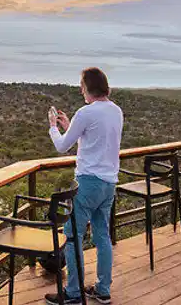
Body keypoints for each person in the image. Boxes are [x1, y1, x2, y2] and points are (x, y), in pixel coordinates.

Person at [46, 67, 122, 305]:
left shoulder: (86, 112)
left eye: (81, 86)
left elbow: (61, 146)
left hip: (88, 183)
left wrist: (53, 127)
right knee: (102, 235)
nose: (80, 90)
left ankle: (73, 292)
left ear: (88, 87)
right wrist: (72, 126)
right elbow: (93, 139)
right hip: (109, 183)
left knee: (72, 236)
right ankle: (102, 289)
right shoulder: (116, 110)